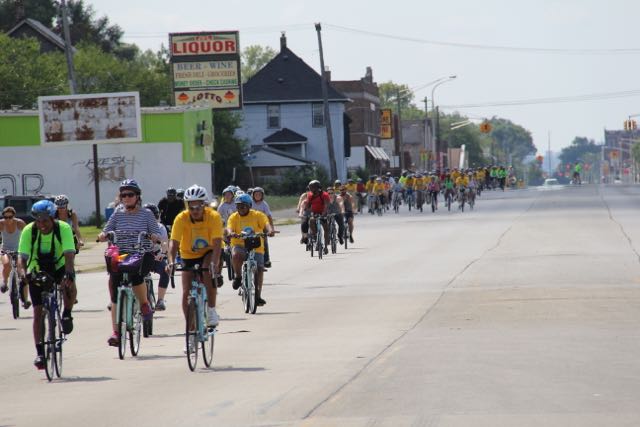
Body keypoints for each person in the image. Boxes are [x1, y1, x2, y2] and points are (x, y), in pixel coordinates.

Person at [97, 179, 160, 347]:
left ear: (137, 196)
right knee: (114, 284)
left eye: (130, 194)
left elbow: (155, 232)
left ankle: (145, 304)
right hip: (121, 253)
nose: (126, 198)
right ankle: (116, 332)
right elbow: (107, 229)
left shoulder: (147, 214)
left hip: (140, 252)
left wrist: (153, 236)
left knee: (137, 276)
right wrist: (103, 235)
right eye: (123, 195)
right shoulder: (117, 213)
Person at [17, 200, 76, 369]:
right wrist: (23, 275)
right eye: (38, 221)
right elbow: (22, 258)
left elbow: (69, 254)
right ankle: (40, 353)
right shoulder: (29, 231)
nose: (41, 224)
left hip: (58, 266)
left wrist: (69, 274)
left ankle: (66, 313)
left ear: (52, 218)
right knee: (37, 313)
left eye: (45, 221)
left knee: (69, 284)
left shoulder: (63, 228)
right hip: (37, 269)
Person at [166, 185, 223, 332]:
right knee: (187, 292)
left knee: (207, 271)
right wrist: (171, 261)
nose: (195, 211)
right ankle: (191, 331)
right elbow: (174, 242)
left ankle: (211, 310)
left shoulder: (214, 217)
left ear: (204, 205)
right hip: (188, 255)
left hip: (209, 251)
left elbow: (217, 242)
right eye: (191, 207)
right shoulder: (181, 218)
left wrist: (215, 263)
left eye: (198, 207)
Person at [227, 194, 275, 306]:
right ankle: (238, 277)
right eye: (238, 207)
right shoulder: (233, 217)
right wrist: (230, 233)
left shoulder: (258, 215)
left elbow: (266, 224)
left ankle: (257, 296)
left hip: (255, 245)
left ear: (249, 206)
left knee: (259, 268)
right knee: (236, 255)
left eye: (243, 206)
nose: (240, 209)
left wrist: (270, 230)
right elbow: (229, 227)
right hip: (239, 244)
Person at [143, 203, 170, 311]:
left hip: (155, 256)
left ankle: (160, 300)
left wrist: (162, 255)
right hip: (141, 257)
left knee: (165, 270)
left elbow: (164, 244)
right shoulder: (138, 227)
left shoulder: (161, 227)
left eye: (155, 216)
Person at [1, 207, 29, 307]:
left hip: (19, 250)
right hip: (5, 250)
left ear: (14, 216)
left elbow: (28, 234)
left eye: (10, 217)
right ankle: (4, 283)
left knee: (22, 273)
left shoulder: (20, 223)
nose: (8, 219)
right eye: (5, 217)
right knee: (7, 264)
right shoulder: (1, 224)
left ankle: (25, 300)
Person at [251, 187, 275, 268]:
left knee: (264, 242)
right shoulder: (250, 203)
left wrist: (272, 229)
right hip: (251, 225)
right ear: (253, 195)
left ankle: (266, 260)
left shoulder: (264, 204)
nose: (257, 196)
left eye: (259, 194)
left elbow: (269, 216)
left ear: (262, 195)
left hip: (262, 226)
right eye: (256, 194)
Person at [305, 180, 330, 254]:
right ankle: (315, 237)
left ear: (317, 188)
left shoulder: (324, 195)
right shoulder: (310, 195)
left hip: (323, 213)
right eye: (310, 187)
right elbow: (308, 206)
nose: (311, 189)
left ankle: (325, 247)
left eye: (312, 187)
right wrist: (309, 212)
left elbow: (326, 205)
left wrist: (323, 214)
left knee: (326, 229)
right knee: (311, 221)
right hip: (315, 213)